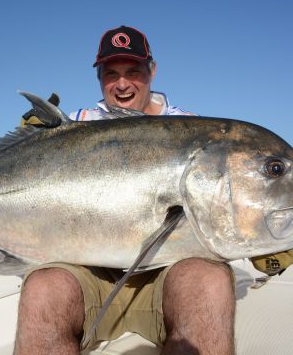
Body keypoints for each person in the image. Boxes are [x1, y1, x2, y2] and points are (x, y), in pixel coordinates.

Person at [15, 26, 292, 355]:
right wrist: (27, 144)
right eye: (111, 74)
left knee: (209, 283)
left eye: (133, 72)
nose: (122, 84)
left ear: (152, 71)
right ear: (99, 77)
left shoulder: (194, 129)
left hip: (170, 276)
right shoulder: (72, 126)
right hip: (86, 272)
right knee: (42, 290)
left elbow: (227, 208)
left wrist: (269, 243)